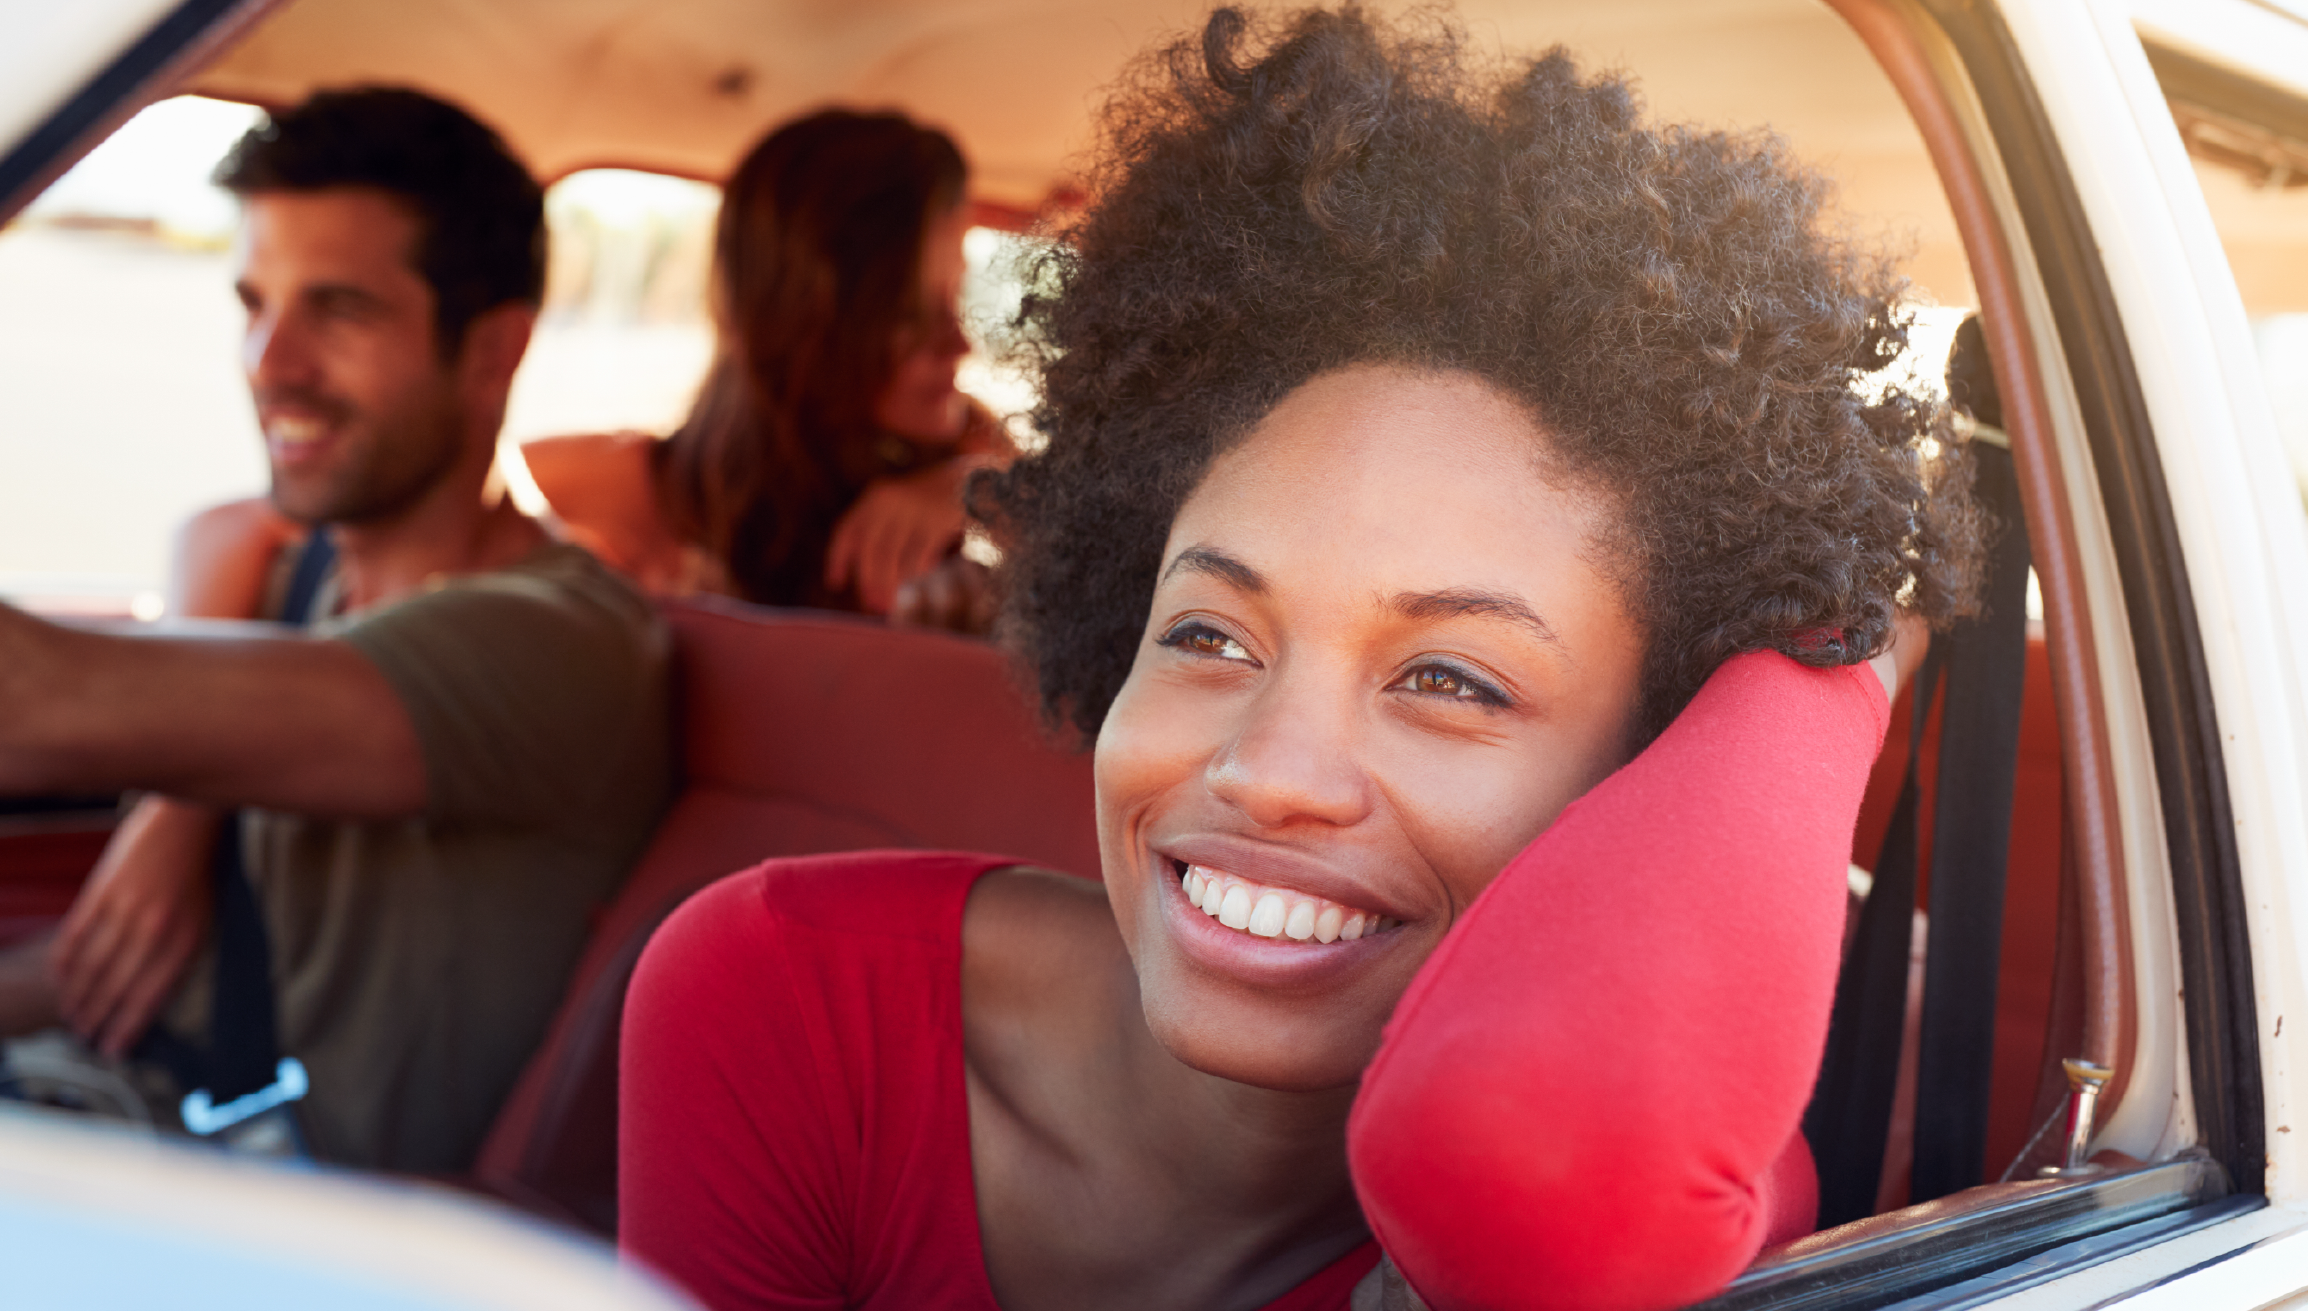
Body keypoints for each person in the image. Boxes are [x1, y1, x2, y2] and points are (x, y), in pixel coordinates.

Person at [618, 8, 1990, 1310]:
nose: (1267, 771)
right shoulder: (779, 993)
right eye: (1209, 634)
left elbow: (1568, 1181)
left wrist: (1843, 643)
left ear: (1649, 771)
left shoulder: (1656, 1139)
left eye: (1449, 678)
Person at [0, 87, 671, 1174]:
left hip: (232, 1206)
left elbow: (14, 710)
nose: (270, 362)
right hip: (90, 1103)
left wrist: (175, 780)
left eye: (337, 310)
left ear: (491, 351)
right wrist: (179, 796)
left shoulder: (555, 644)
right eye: (254, 303)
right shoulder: (316, 581)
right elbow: (106, 971)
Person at [520, 107, 1015, 630]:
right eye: (908, 316)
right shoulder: (623, 495)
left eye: (958, 296)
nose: (962, 345)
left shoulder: (986, 458)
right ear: (797, 322)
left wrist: (978, 489)